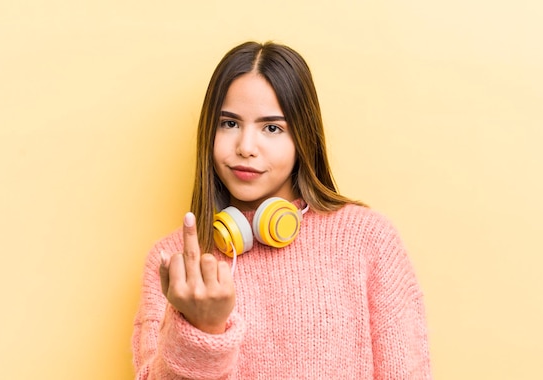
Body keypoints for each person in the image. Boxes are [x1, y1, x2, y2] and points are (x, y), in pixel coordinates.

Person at [132, 41, 432, 379]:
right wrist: (202, 330)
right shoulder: (174, 263)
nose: (245, 147)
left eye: (272, 128)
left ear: (303, 138)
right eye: (229, 124)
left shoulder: (367, 240)